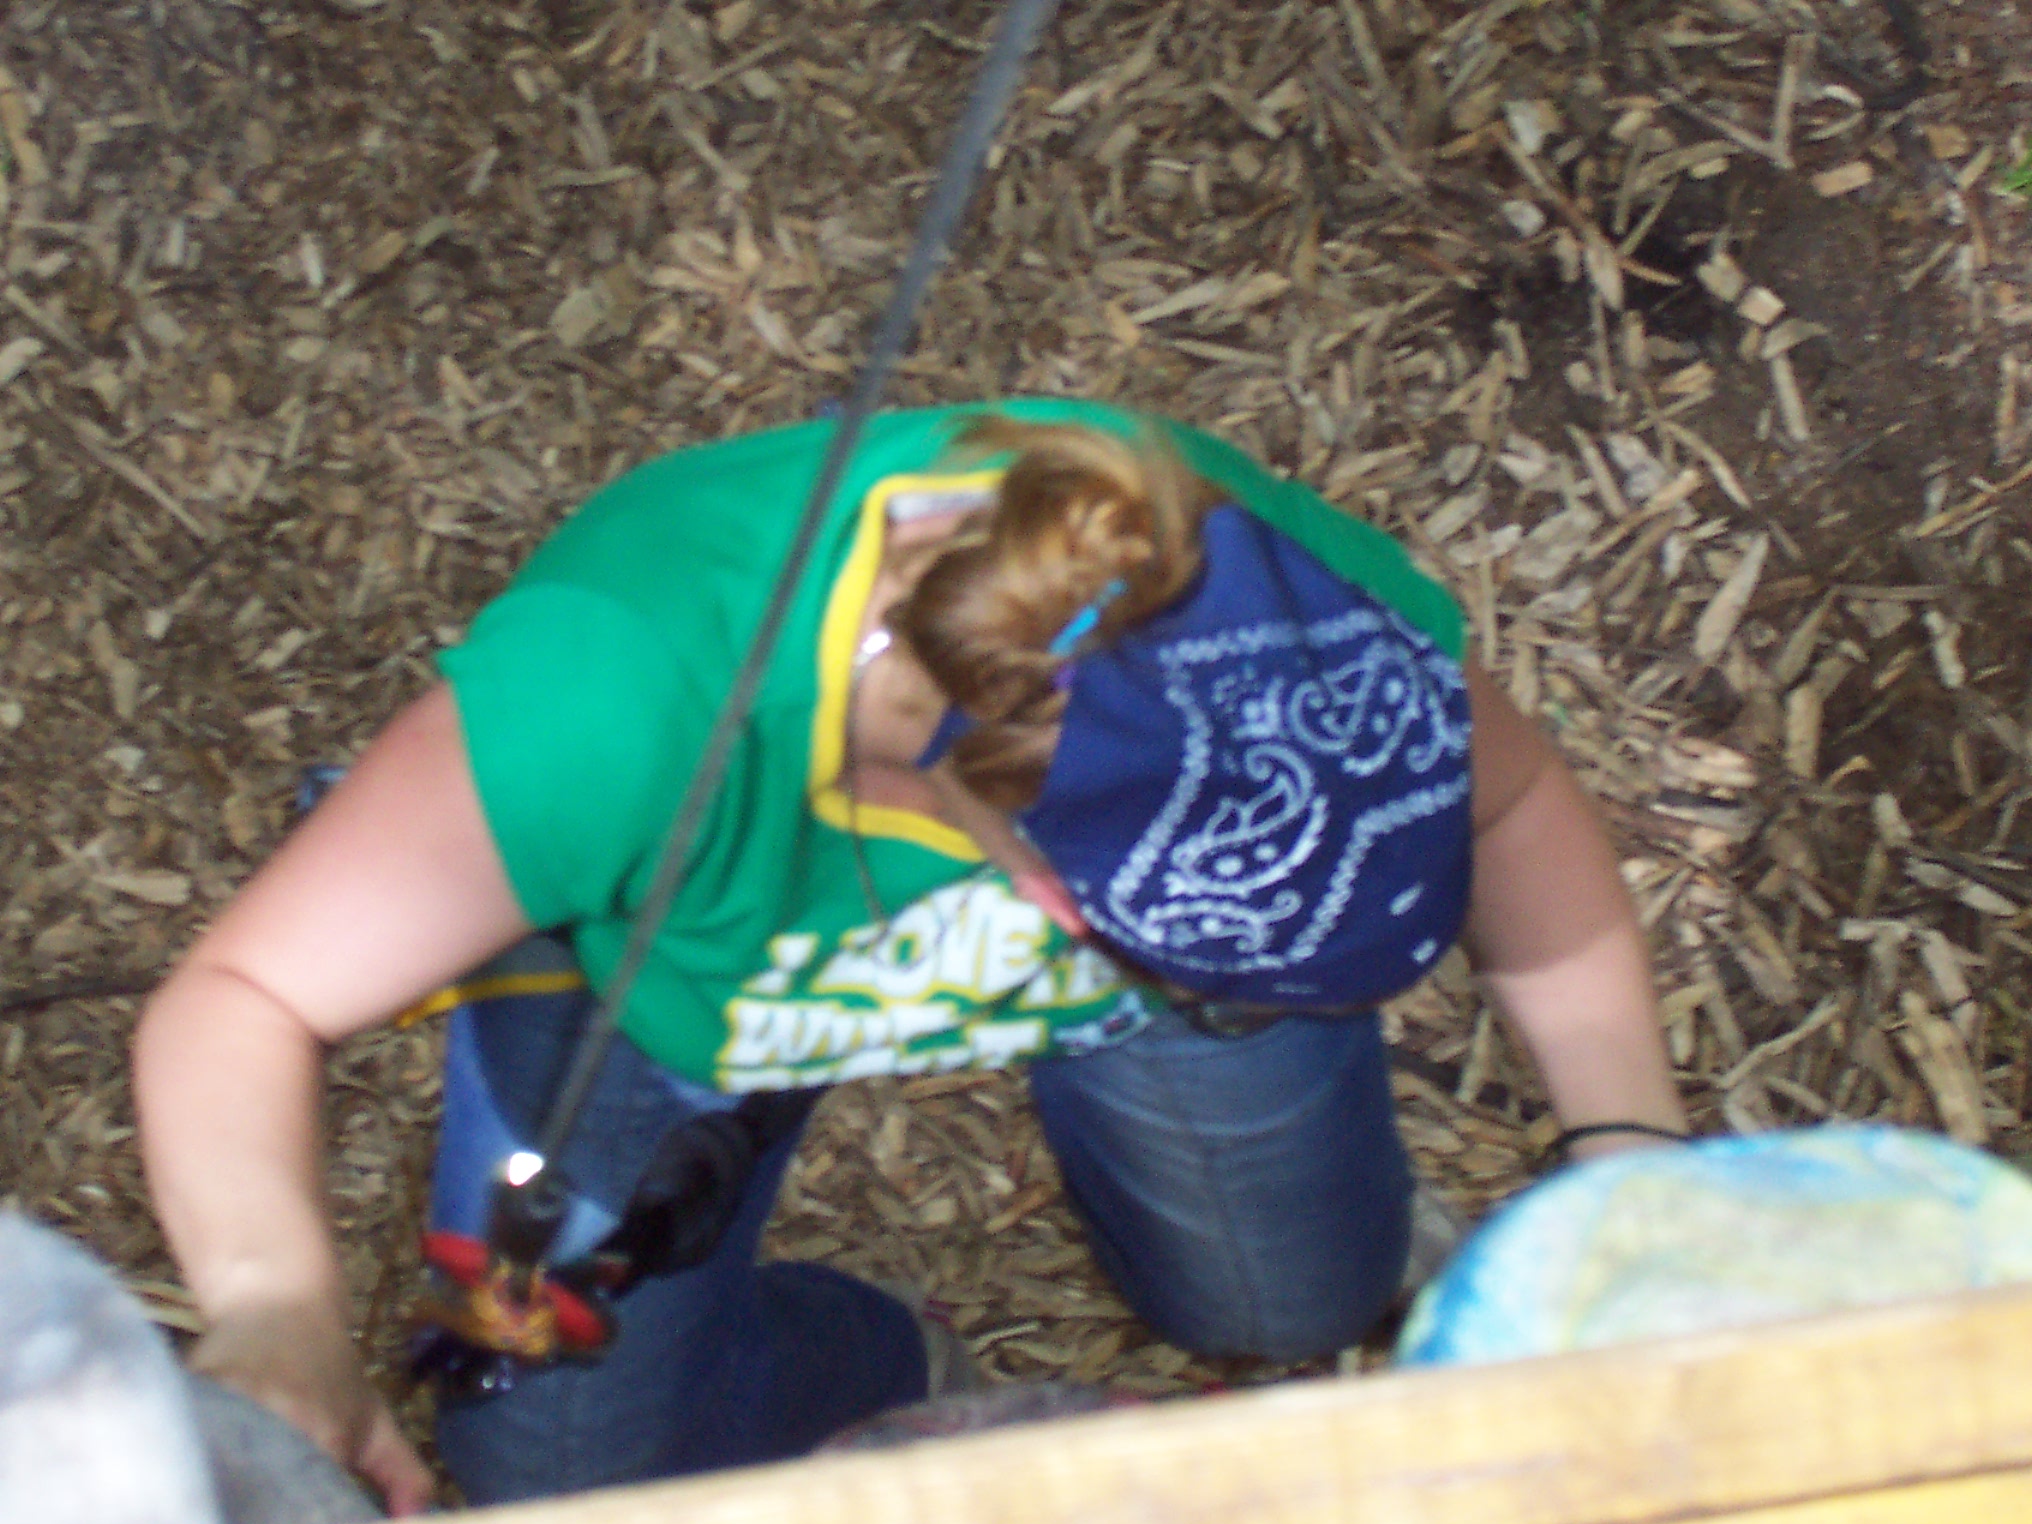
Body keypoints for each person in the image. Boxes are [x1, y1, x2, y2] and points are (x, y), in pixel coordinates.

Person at [132, 398, 1686, 1513]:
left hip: (1097, 964)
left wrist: (1632, 1161)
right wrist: (276, 1311)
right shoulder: (617, 704)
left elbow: (1515, 804)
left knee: (1295, 1299)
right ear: (1052, 896)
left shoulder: (1254, 577)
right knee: (564, 1475)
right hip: (667, 1000)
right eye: (1224, 957)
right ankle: (877, 1365)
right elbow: (242, 999)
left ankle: (1266, 1232)